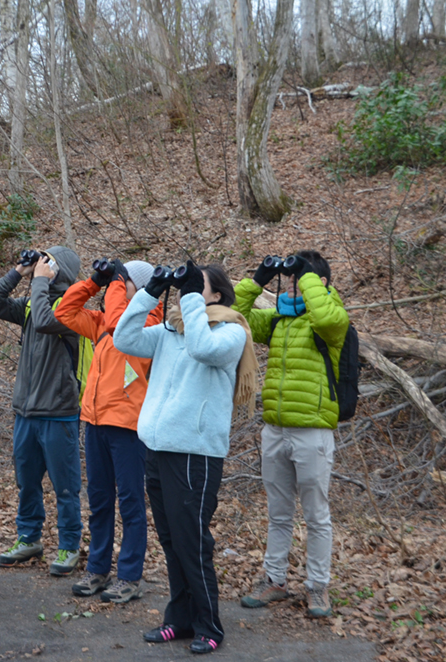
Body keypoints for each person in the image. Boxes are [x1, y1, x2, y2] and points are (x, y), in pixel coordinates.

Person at [115, 260, 257, 656]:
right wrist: (150, 291)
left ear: (215, 294)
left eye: (198, 287)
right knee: (171, 540)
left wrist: (191, 297)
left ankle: (209, 625)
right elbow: (124, 338)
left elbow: (202, 347)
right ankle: (178, 619)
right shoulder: (170, 332)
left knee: (193, 543)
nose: (188, 293)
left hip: (195, 454)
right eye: (187, 288)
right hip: (158, 450)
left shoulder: (230, 333)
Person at [233, 250, 349, 619]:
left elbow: (328, 317)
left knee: (316, 514)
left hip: (313, 430)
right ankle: (274, 580)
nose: (297, 288)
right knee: (278, 512)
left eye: (304, 281)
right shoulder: (280, 320)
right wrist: (258, 280)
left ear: (320, 284)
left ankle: (317, 586)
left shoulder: (330, 321)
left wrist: (309, 275)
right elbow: (237, 317)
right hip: (275, 428)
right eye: (295, 281)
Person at [53, 258, 160, 603]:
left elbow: (120, 321)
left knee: (130, 502)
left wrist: (117, 282)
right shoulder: (102, 323)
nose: (117, 284)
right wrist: (95, 281)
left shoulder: (150, 323)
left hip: (127, 426)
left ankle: (129, 575)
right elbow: (64, 312)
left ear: (138, 288)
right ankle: (98, 569)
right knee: (99, 500)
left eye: (122, 281)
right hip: (95, 421)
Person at [0, 246, 85, 576]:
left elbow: (44, 321)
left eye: (48, 262)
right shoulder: (30, 304)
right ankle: (29, 538)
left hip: (58, 411)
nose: (43, 266)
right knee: (27, 483)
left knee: (65, 486)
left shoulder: (72, 308)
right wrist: (18, 273)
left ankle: (69, 545)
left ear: (63, 271)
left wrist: (40, 282)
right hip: (25, 412)